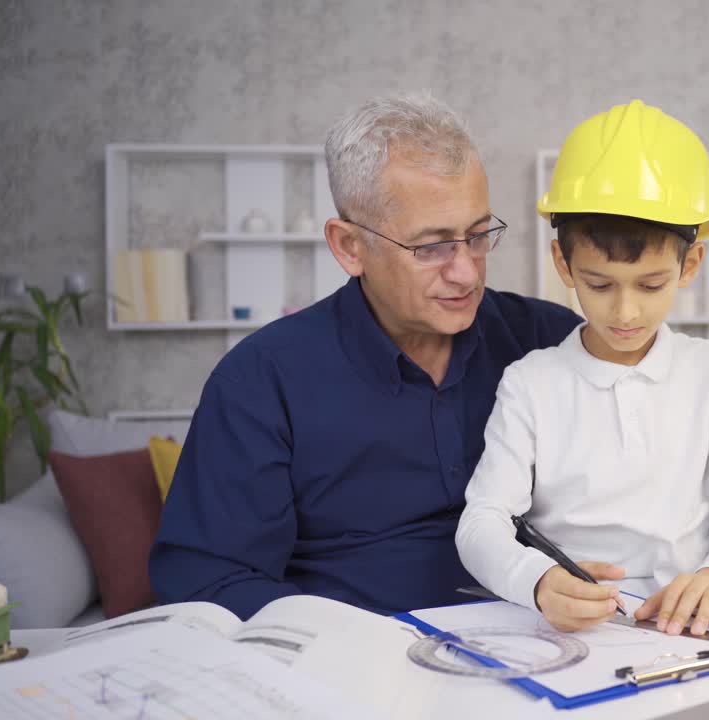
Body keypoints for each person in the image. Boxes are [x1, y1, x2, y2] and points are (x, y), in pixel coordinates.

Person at [148, 94, 581, 620]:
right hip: (351, 666)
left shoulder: (550, 340)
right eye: (432, 247)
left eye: (478, 235)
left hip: (547, 646)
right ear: (349, 246)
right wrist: (343, 640)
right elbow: (208, 579)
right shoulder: (261, 380)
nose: (466, 272)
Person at [456, 100, 709, 638]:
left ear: (690, 264)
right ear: (564, 266)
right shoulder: (531, 382)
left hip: (697, 619)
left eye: (651, 285)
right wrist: (535, 581)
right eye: (600, 285)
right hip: (576, 626)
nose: (626, 312)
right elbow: (481, 522)